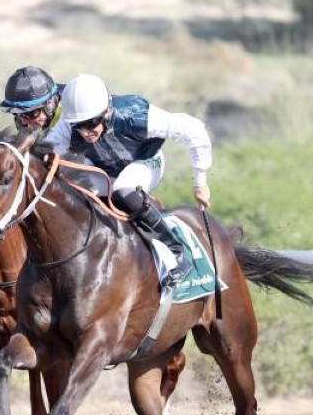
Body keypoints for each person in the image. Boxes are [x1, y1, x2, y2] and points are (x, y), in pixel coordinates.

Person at [41, 73, 212, 287]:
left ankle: (176, 250)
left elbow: (194, 130)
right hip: (105, 168)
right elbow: (44, 152)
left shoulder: (135, 116)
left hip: (146, 160)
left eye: (92, 123)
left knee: (123, 189)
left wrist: (200, 182)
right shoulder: (68, 124)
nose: (85, 132)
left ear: (106, 111)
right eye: (79, 126)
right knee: (74, 189)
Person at [0, 65, 63, 136]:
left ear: (49, 104)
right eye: (16, 113)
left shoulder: (70, 116)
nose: (23, 122)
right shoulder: (22, 119)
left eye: (28, 114)